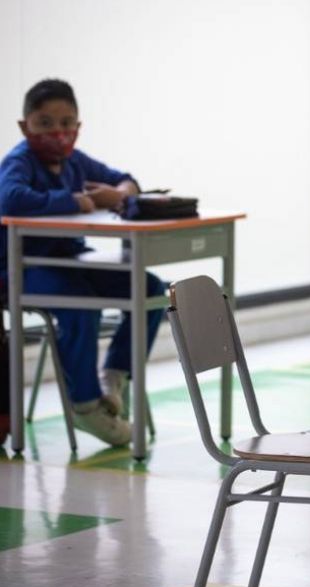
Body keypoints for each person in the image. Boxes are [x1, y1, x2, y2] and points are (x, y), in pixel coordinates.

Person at [0, 78, 166, 446]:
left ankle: (114, 376)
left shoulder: (76, 161)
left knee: (150, 288)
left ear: (78, 126)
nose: (57, 133)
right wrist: (75, 202)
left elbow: (126, 181)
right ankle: (86, 406)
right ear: (24, 126)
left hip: (70, 261)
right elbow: (10, 199)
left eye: (66, 123)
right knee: (80, 305)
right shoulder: (19, 162)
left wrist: (118, 193)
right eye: (45, 123)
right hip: (23, 269)